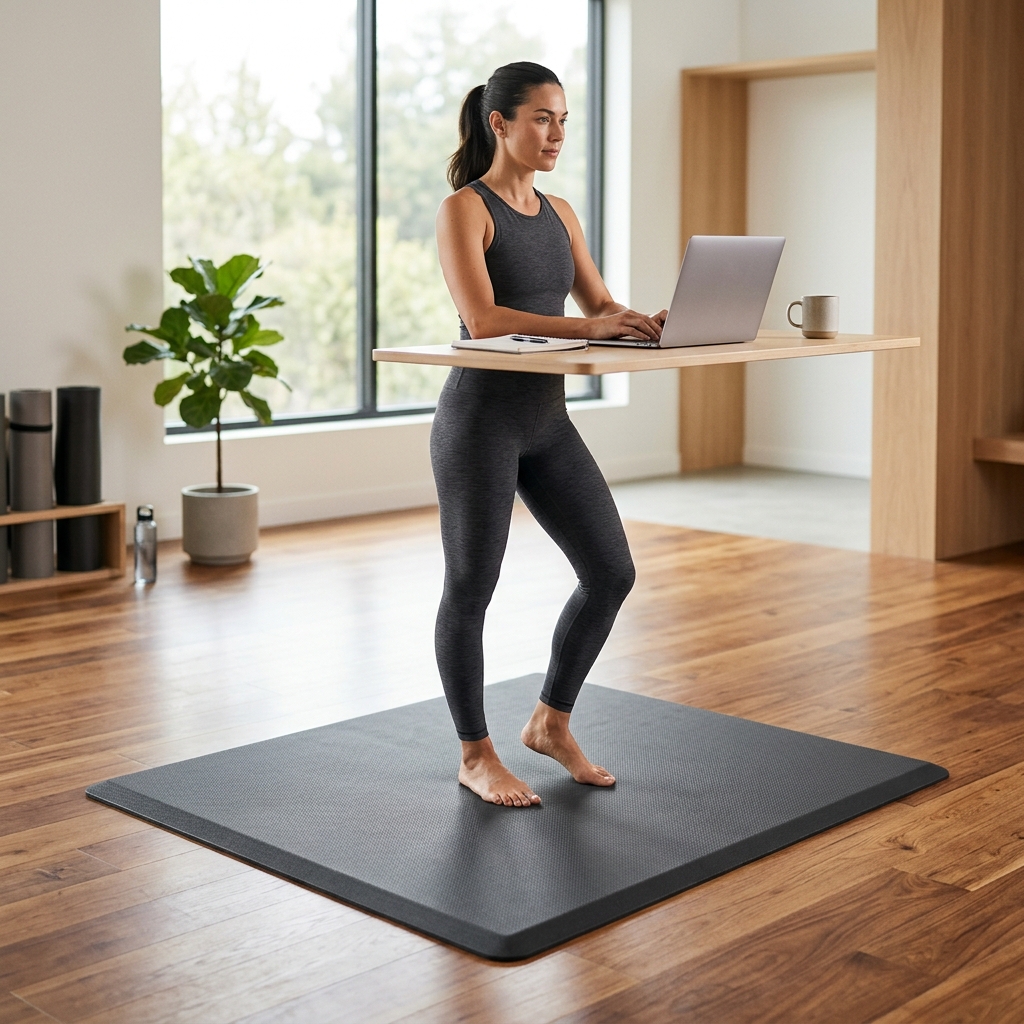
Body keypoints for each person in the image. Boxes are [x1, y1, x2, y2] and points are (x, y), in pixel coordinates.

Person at [433, 61, 667, 807]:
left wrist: (639, 323)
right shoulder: (464, 210)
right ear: (498, 124)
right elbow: (484, 320)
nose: (556, 132)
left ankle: (550, 722)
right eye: (541, 117)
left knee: (611, 573)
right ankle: (475, 754)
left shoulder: (561, 212)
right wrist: (589, 325)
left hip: (546, 421)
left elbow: (596, 300)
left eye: (563, 118)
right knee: (472, 587)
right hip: (479, 423)